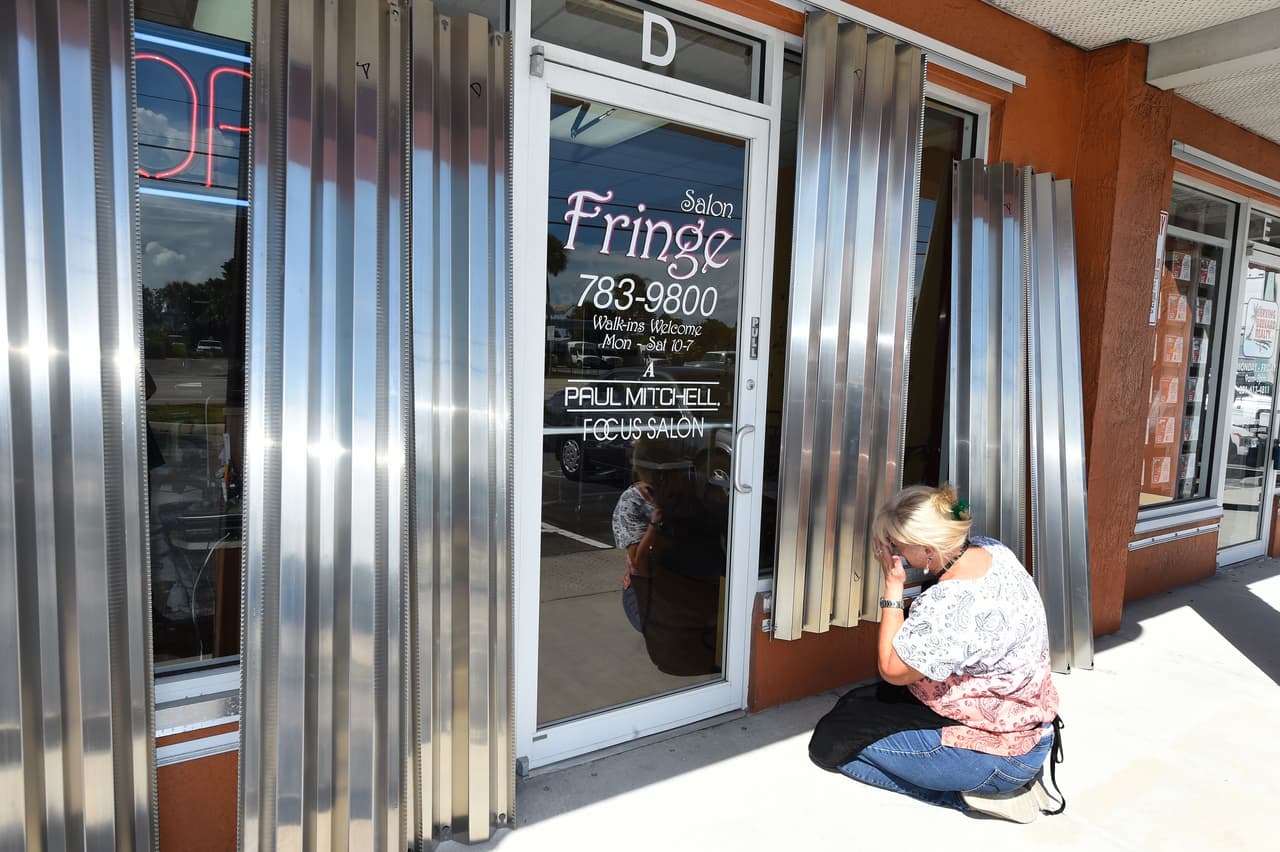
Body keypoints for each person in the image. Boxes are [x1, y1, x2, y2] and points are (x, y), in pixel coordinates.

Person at [819, 484, 1063, 823]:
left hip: (996, 753)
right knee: (854, 707)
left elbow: (891, 668)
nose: (894, 551)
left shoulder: (950, 604)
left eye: (897, 545)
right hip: (1027, 730)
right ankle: (1004, 783)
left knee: (831, 745)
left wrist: (892, 586)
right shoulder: (994, 551)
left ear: (927, 550)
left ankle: (983, 796)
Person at [611, 438, 726, 675]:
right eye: (659, 474)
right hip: (656, 591)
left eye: (672, 472)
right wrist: (657, 520)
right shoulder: (633, 501)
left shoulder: (696, 488)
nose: (667, 481)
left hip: (698, 584)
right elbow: (640, 567)